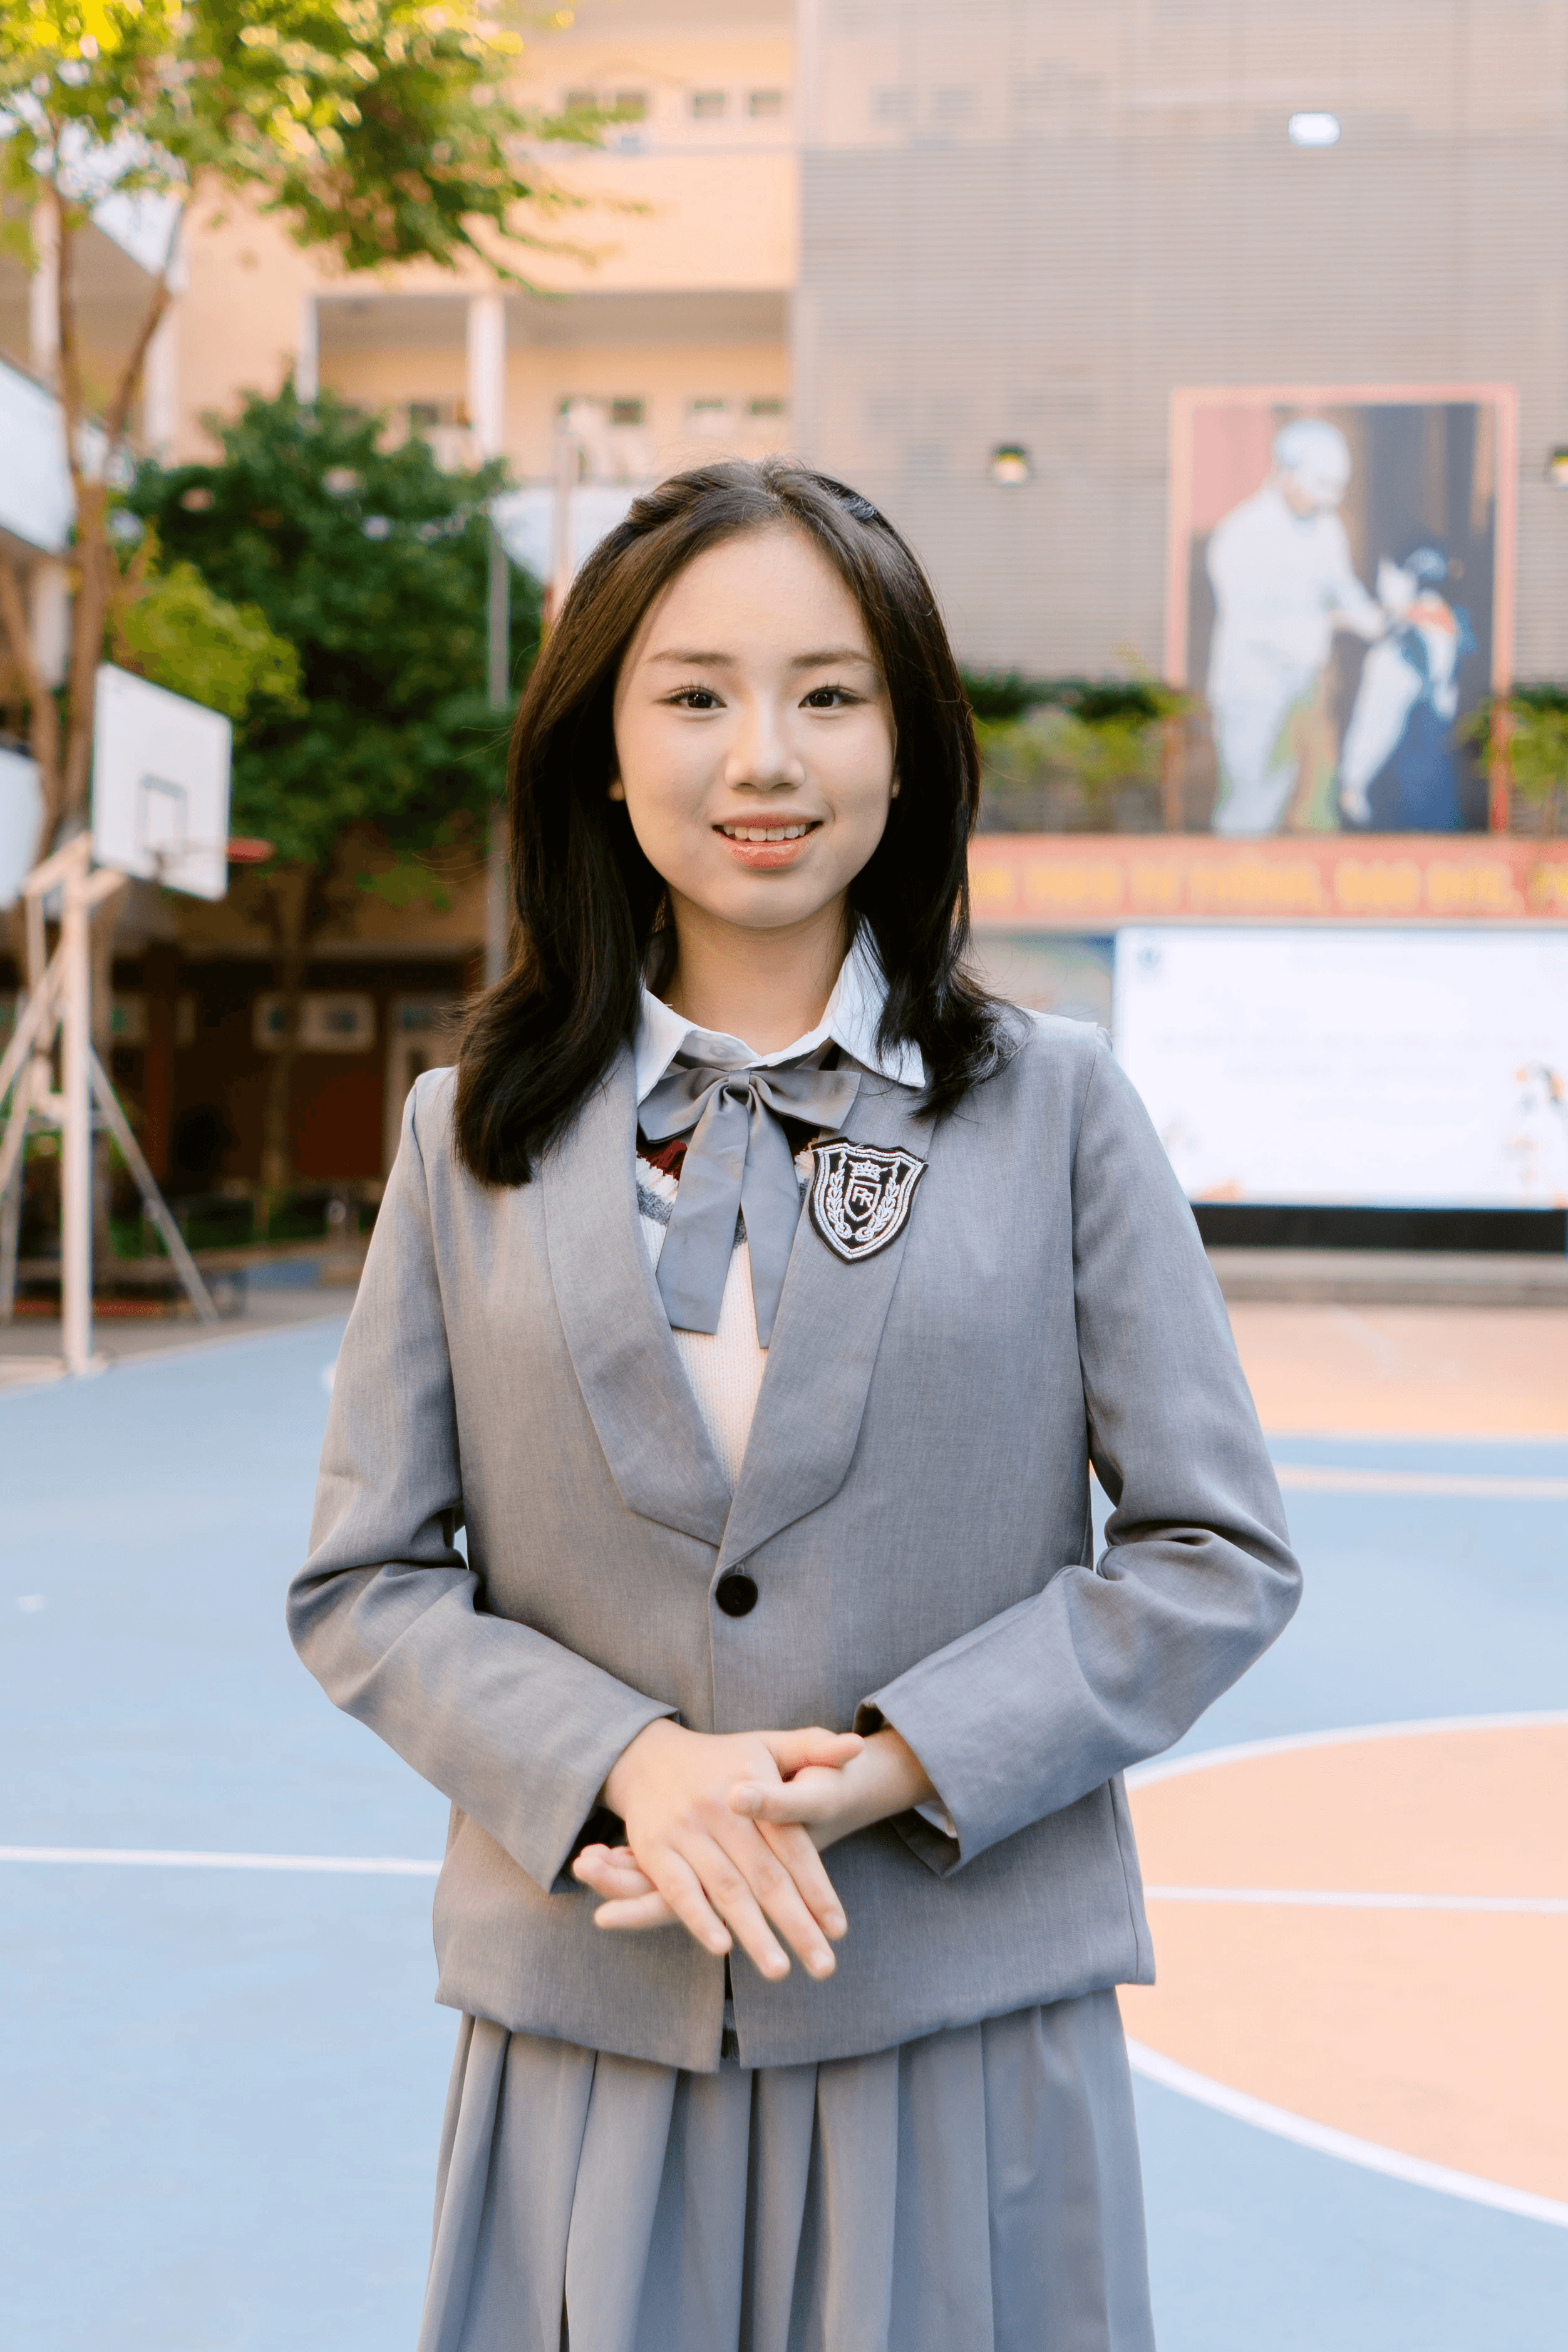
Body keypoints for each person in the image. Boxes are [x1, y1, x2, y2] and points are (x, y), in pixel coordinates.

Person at [289, 458, 1301, 2352]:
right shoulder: (465, 1136)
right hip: (588, 2034)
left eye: (830, 693)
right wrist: (626, 1761)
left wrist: (904, 1760)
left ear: (908, 749)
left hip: (960, 2026)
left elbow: (1213, 1551)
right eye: (694, 693)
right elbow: (366, 1581)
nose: (766, 754)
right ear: (600, 745)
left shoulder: (1059, 1105)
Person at [1205, 416, 1384, 835]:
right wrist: (1327, 623)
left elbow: (1342, 589)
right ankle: (1232, 888)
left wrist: (1377, 620)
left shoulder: (1326, 527)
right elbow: (1255, 623)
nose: (1328, 498)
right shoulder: (1242, 534)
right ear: (1286, 473)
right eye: (1319, 485)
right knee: (1249, 794)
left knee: (1289, 788)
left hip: (1301, 686)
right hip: (1251, 687)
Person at [1338, 547, 1474, 832]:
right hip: (1442, 786)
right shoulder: (1457, 626)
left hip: (1401, 795)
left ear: (1402, 579)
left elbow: (1376, 724)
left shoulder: (1397, 649)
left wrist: (1353, 784)